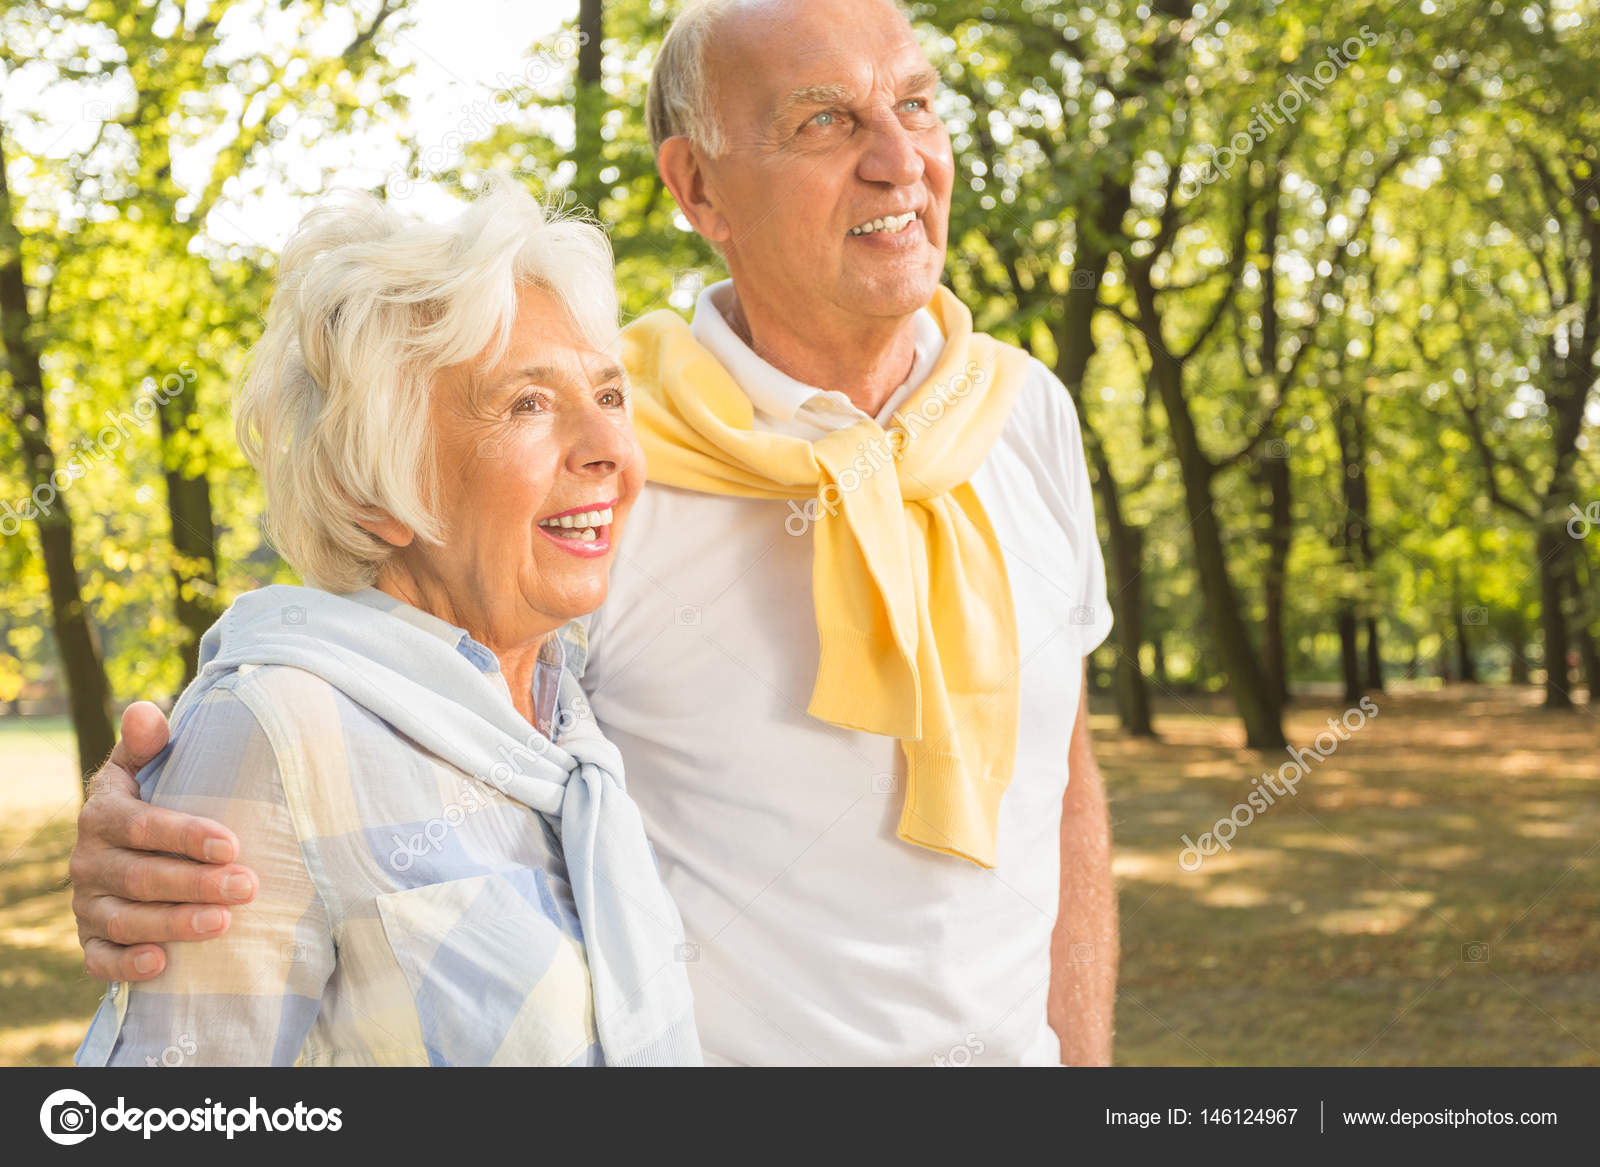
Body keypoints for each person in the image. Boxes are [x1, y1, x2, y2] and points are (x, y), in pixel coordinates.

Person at [70, 0, 1117, 1066]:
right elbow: (368, 678)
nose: (900, 161)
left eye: (916, 105)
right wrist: (169, 822)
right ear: (697, 185)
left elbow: (1061, 779)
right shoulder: (611, 478)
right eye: (823, 123)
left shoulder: (1028, 415)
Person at [73, 180, 700, 1067]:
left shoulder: (568, 719)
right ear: (378, 493)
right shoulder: (274, 730)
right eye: (526, 402)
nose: (607, 448)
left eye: (607, 394)